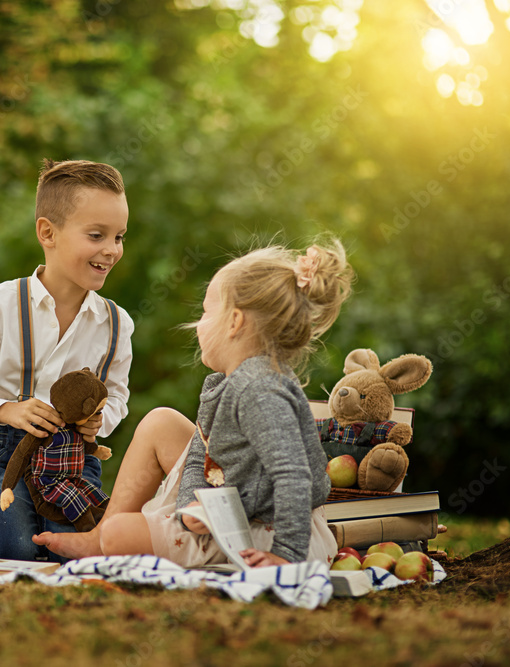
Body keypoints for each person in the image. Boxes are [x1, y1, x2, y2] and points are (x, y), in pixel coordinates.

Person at [34, 240, 354, 568]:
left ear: (234, 323)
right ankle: (99, 537)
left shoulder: (261, 391)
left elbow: (294, 476)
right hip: (233, 506)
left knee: (118, 535)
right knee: (160, 422)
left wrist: (285, 555)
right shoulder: (225, 383)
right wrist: (190, 508)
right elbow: (201, 456)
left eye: (206, 311)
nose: (199, 323)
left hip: (269, 535)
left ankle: (106, 540)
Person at [0, 159, 134, 563]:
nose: (111, 250)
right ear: (48, 233)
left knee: (74, 556)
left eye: (119, 236)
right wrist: (5, 409)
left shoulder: (115, 323)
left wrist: (99, 419)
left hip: (72, 457)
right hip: (4, 454)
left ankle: (11, 523)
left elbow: (118, 398)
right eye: (97, 235)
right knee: (16, 553)